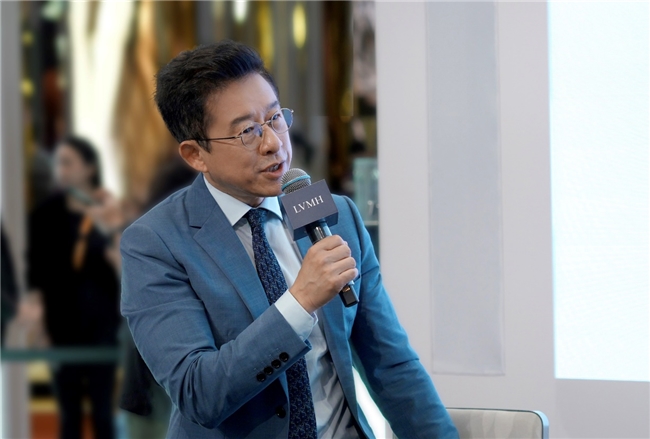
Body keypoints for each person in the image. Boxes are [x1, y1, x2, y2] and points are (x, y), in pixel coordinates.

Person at [120, 40, 458, 439]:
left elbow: (392, 364)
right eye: (247, 131)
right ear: (196, 154)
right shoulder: (155, 243)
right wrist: (300, 302)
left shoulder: (336, 215)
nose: (273, 143)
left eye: (275, 118)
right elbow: (199, 393)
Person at [28, 136, 123, 439]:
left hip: (103, 325)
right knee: (68, 414)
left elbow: (127, 267)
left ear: (89, 167)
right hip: (60, 326)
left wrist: (110, 227)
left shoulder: (108, 210)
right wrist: (39, 327)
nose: (61, 170)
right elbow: (35, 273)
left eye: (68, 162)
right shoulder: (45, 215)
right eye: (58, 163)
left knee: (103, 413)